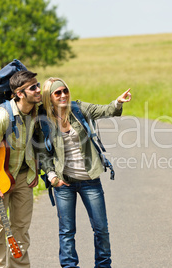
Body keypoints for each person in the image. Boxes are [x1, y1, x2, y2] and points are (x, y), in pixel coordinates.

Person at [39, 77, 132, 268]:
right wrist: (52, 176)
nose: (63, 95)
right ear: (49, 97)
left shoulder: (78, 109)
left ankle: (103, 265)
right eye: (58, 93)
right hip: (64, 184)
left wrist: (117, 102)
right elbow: (42, 153)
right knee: (66, 231)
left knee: (101, 229)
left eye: (65, 90)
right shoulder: (43, 121)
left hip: (90, 180)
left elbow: (104, 110)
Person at [0, 70, 42, 267]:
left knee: (21, 230)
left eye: (38, 85)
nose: (39, 90)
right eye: (33, 87)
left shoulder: (35, 111)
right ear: (20, 93)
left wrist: (34, 169)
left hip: (23, 179)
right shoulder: (3, 116)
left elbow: (34, 142)